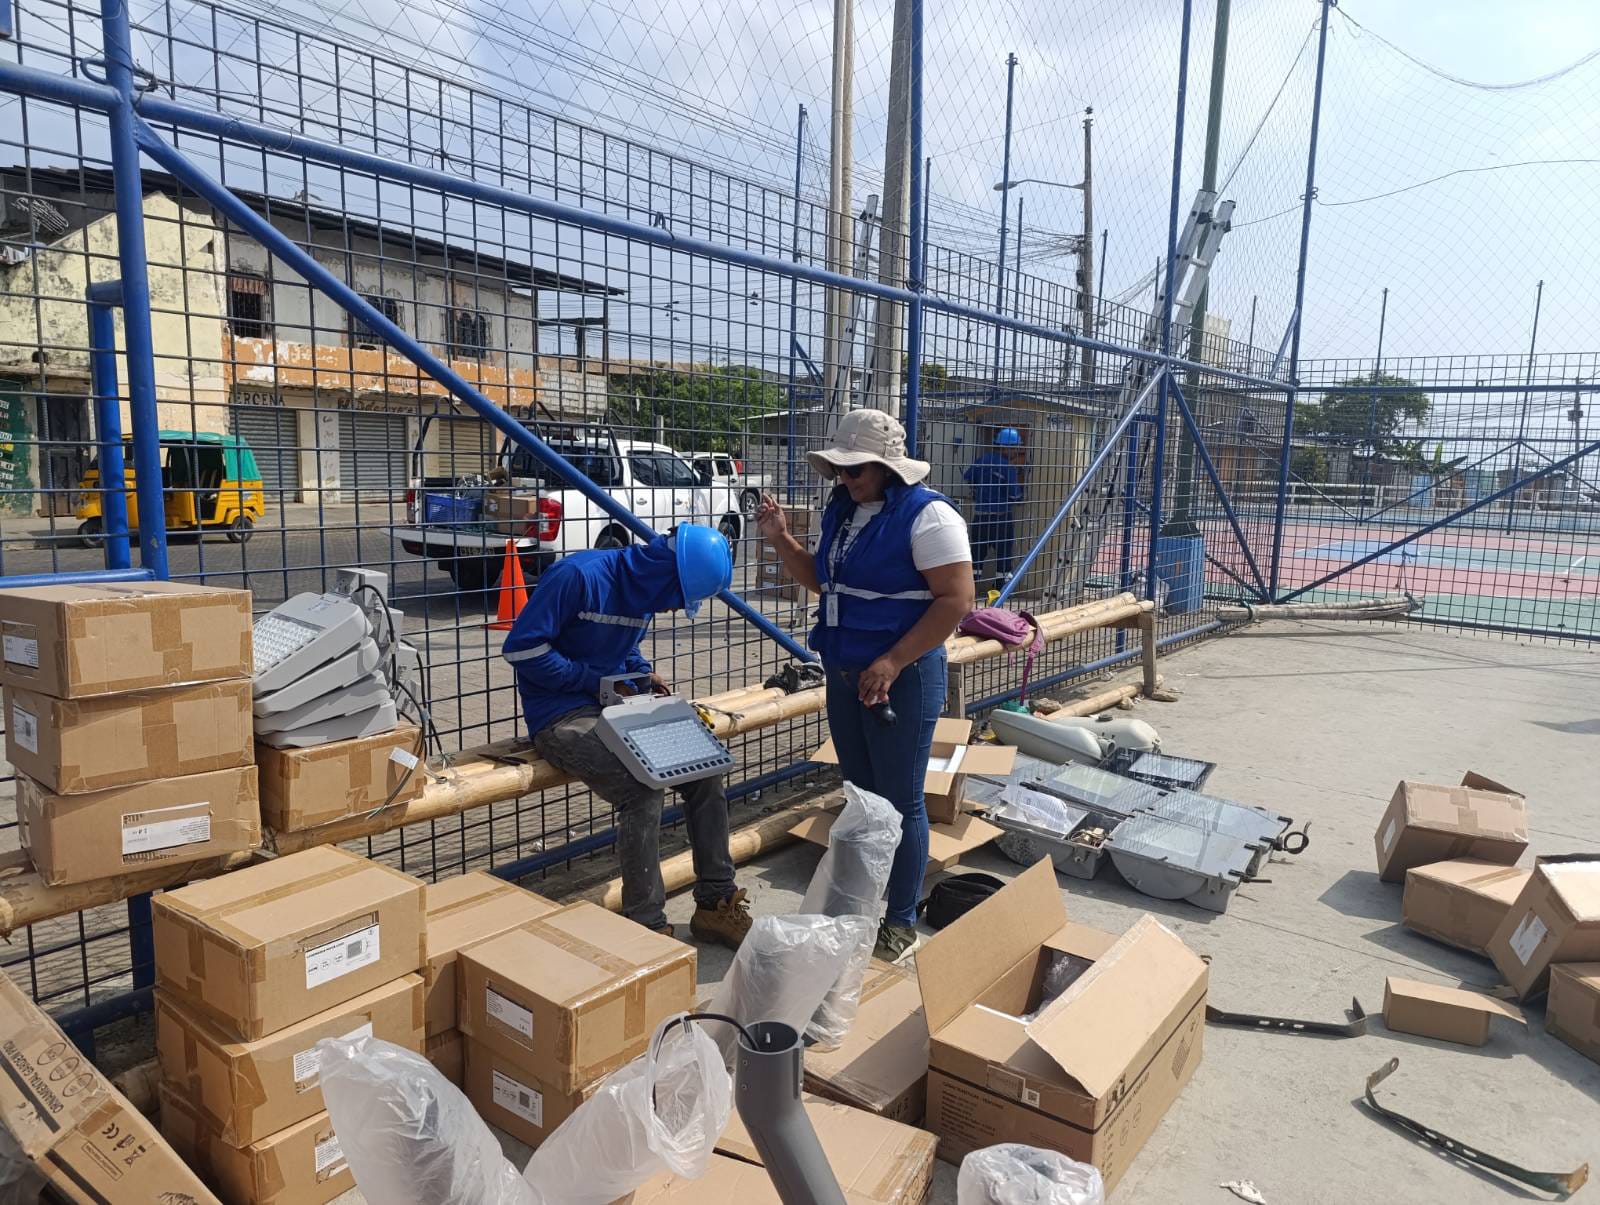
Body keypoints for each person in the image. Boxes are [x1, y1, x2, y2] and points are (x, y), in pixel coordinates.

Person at [755, 409, 975, 962]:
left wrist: (894, 661)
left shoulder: (930, 517)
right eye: (839, 469)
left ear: (887, 467)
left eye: (855, 470)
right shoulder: (844, 511)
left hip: (902, 677)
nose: (844, 479)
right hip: (845, 670)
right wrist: (781, 540)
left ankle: (900, 920)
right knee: (860, 794)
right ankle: (856, 905)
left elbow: (956, 600)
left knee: (899, 800)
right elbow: (824, 581)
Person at [500, 525, 752, 948]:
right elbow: (521, 649)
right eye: (679, 598)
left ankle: (715, 902)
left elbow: (622, 649)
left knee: (705, 772)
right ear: (666, 575)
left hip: (614, 704)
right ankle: (647, 925)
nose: (674, 608)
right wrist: (589, 679)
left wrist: (641, 673)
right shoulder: (578, 577)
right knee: (642, 789)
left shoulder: (645, 593)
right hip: (561, 715)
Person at [962, 427, 1025, 590]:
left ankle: (970, 590)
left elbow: (968, 478)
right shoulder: (1008, 467)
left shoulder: (982, 460)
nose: (1016, 452)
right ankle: (1000, 591)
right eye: (1016, 448)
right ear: (1007, 448)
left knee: (977, 555)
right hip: (1001, 519)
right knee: (1004, 556)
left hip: (980, 517)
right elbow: (1015, 496)